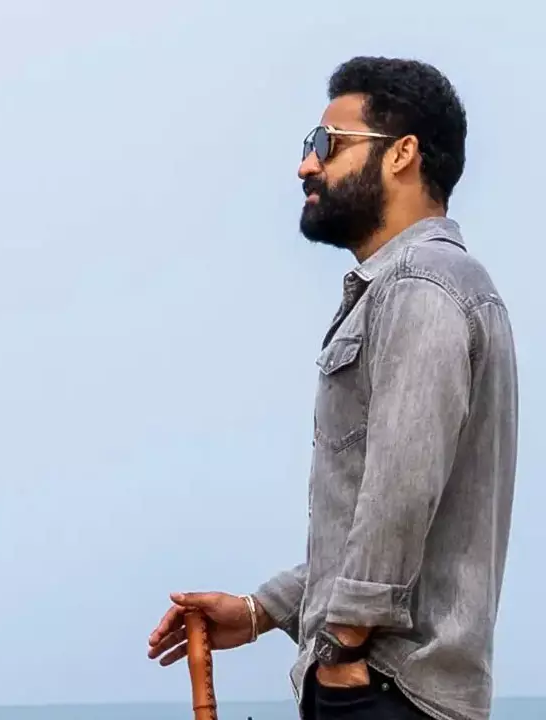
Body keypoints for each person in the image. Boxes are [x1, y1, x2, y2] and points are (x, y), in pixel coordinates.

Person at [146, 56, 517, 720]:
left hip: (386, 689)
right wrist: (261, 610)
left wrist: (342, 648)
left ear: (401, 154)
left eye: (328, 143)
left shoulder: (420, 285)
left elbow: (401, 491)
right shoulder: (421, 287)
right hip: (385, 688)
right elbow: (378, 515)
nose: (306, 165)